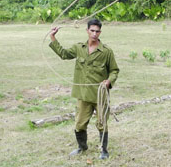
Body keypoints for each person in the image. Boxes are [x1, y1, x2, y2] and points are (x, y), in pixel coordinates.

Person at [48, 18, 120, 159]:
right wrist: (52, 37)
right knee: (80, 123)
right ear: (87, 31)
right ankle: (82, 146)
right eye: (92, 30)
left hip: (99, 95)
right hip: (83, 95)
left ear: (100, 32)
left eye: (97, 31)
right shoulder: (79, 48)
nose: (94, 34)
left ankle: (103, 150)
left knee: (102, 123)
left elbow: (114, 70)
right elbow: (64, 54)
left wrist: (108, 81)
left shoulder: (106, 52)